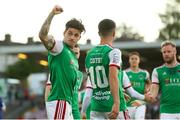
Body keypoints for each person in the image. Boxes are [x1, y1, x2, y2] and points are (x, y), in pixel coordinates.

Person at [39, 5, 85, 119]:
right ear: (64, 32)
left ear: (79, 38)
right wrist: (52, 14)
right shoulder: (59, 47)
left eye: (76, 35)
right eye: (70, 33)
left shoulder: (74, 56)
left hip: (67, 103)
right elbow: (43, 35)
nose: (72, 37)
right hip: (59, 101)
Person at [84, 19, 128, 119]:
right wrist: (117, 102)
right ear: (114, 33)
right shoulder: (114, 52)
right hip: (113, 106)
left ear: (99, 33)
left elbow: (93, 80)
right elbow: (112, 76)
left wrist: (119, 90)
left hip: (96, 108)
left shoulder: (89, 54)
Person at [81, 70, 151, 119]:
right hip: (116, 109)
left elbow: (87, 96)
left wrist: (83, 111)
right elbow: (132, 93)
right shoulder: (122, 73)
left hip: (97, 109)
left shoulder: (92, 74)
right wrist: (144, 97)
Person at [44, 45, 83, 119]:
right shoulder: (60, 70)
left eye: (76, 53)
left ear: (79, 54)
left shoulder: (80, 74)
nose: (74, 55)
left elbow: (74, 94)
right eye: (72, 53)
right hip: (62, 107)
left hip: (74, 111)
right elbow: (48, 89)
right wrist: (49, 108)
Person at [149, 40, 180, 119]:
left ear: (174, 51)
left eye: (169, 51)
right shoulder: (157, 71)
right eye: (164, 52)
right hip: (166, 112)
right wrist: (144, 98)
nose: (166, 54)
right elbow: (153, 92)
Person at [125, 51, 151, 119]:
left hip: (140, 104)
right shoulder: (125, 73)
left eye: (136, 58)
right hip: (127, 105)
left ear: (139, 60)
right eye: (132, 58)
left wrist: (147, 90)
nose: (134, 60)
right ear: (129, 60)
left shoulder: (144, 73)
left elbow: (149, 85)